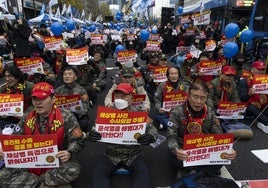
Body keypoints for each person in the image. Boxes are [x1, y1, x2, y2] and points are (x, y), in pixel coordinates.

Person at [0, 82, 84, 187]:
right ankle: (40, 182)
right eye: (35, 99)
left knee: (73, 170)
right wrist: (6, 150)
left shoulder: (65, 116)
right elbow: (16, 138)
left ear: (53, 99)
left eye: (42, 99)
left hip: (56, 160)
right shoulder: (27, 117)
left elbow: (77, 140)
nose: (38, 103)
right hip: (30, 160)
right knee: (2, 176)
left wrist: (69, 153)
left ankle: (33, 181)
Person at [89, 83, 158, 188]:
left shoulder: (139, 113)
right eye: (117, 96)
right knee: (98, 172)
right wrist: (92, 134)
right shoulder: (107, 114)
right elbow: (95, 129)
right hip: (111, 154)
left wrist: (150, 137)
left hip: (133, 154)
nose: (119, 99)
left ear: (131, 98)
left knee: (143, 172)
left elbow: (153, 130)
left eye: (124, 96)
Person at [167, 81, 236, 178]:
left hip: (203, 149)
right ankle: (205, 171)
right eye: (195, 97)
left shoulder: (209, 112)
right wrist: (177, 150)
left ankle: (192, 172)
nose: (198, 102)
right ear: (189, 96)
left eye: (202, 98)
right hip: (184, 149)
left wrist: (228, 149)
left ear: (206, 98)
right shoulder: (176, 111)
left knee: (223, 158)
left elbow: (218, 134)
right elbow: (171, 136)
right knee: (172, 158)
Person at [55, 66, 90, 132]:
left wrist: (78, 112)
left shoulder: (81, 90)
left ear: (75, 77)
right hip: (62, 116)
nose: (67, 76)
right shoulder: (58, 90)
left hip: (78, 115)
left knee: (83, 125)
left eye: (70, 74)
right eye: (65, 74)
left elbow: (86, 106)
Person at [238, 61, 268, 134]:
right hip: (250, 107)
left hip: (264, 104)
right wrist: (249, 94)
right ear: (252, 70)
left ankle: (264, 123)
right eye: (259, 69)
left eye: (262, 69)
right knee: (251, 107)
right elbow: (241, 98)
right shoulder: (245, 81)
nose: (261, 72)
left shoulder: (266, 80)